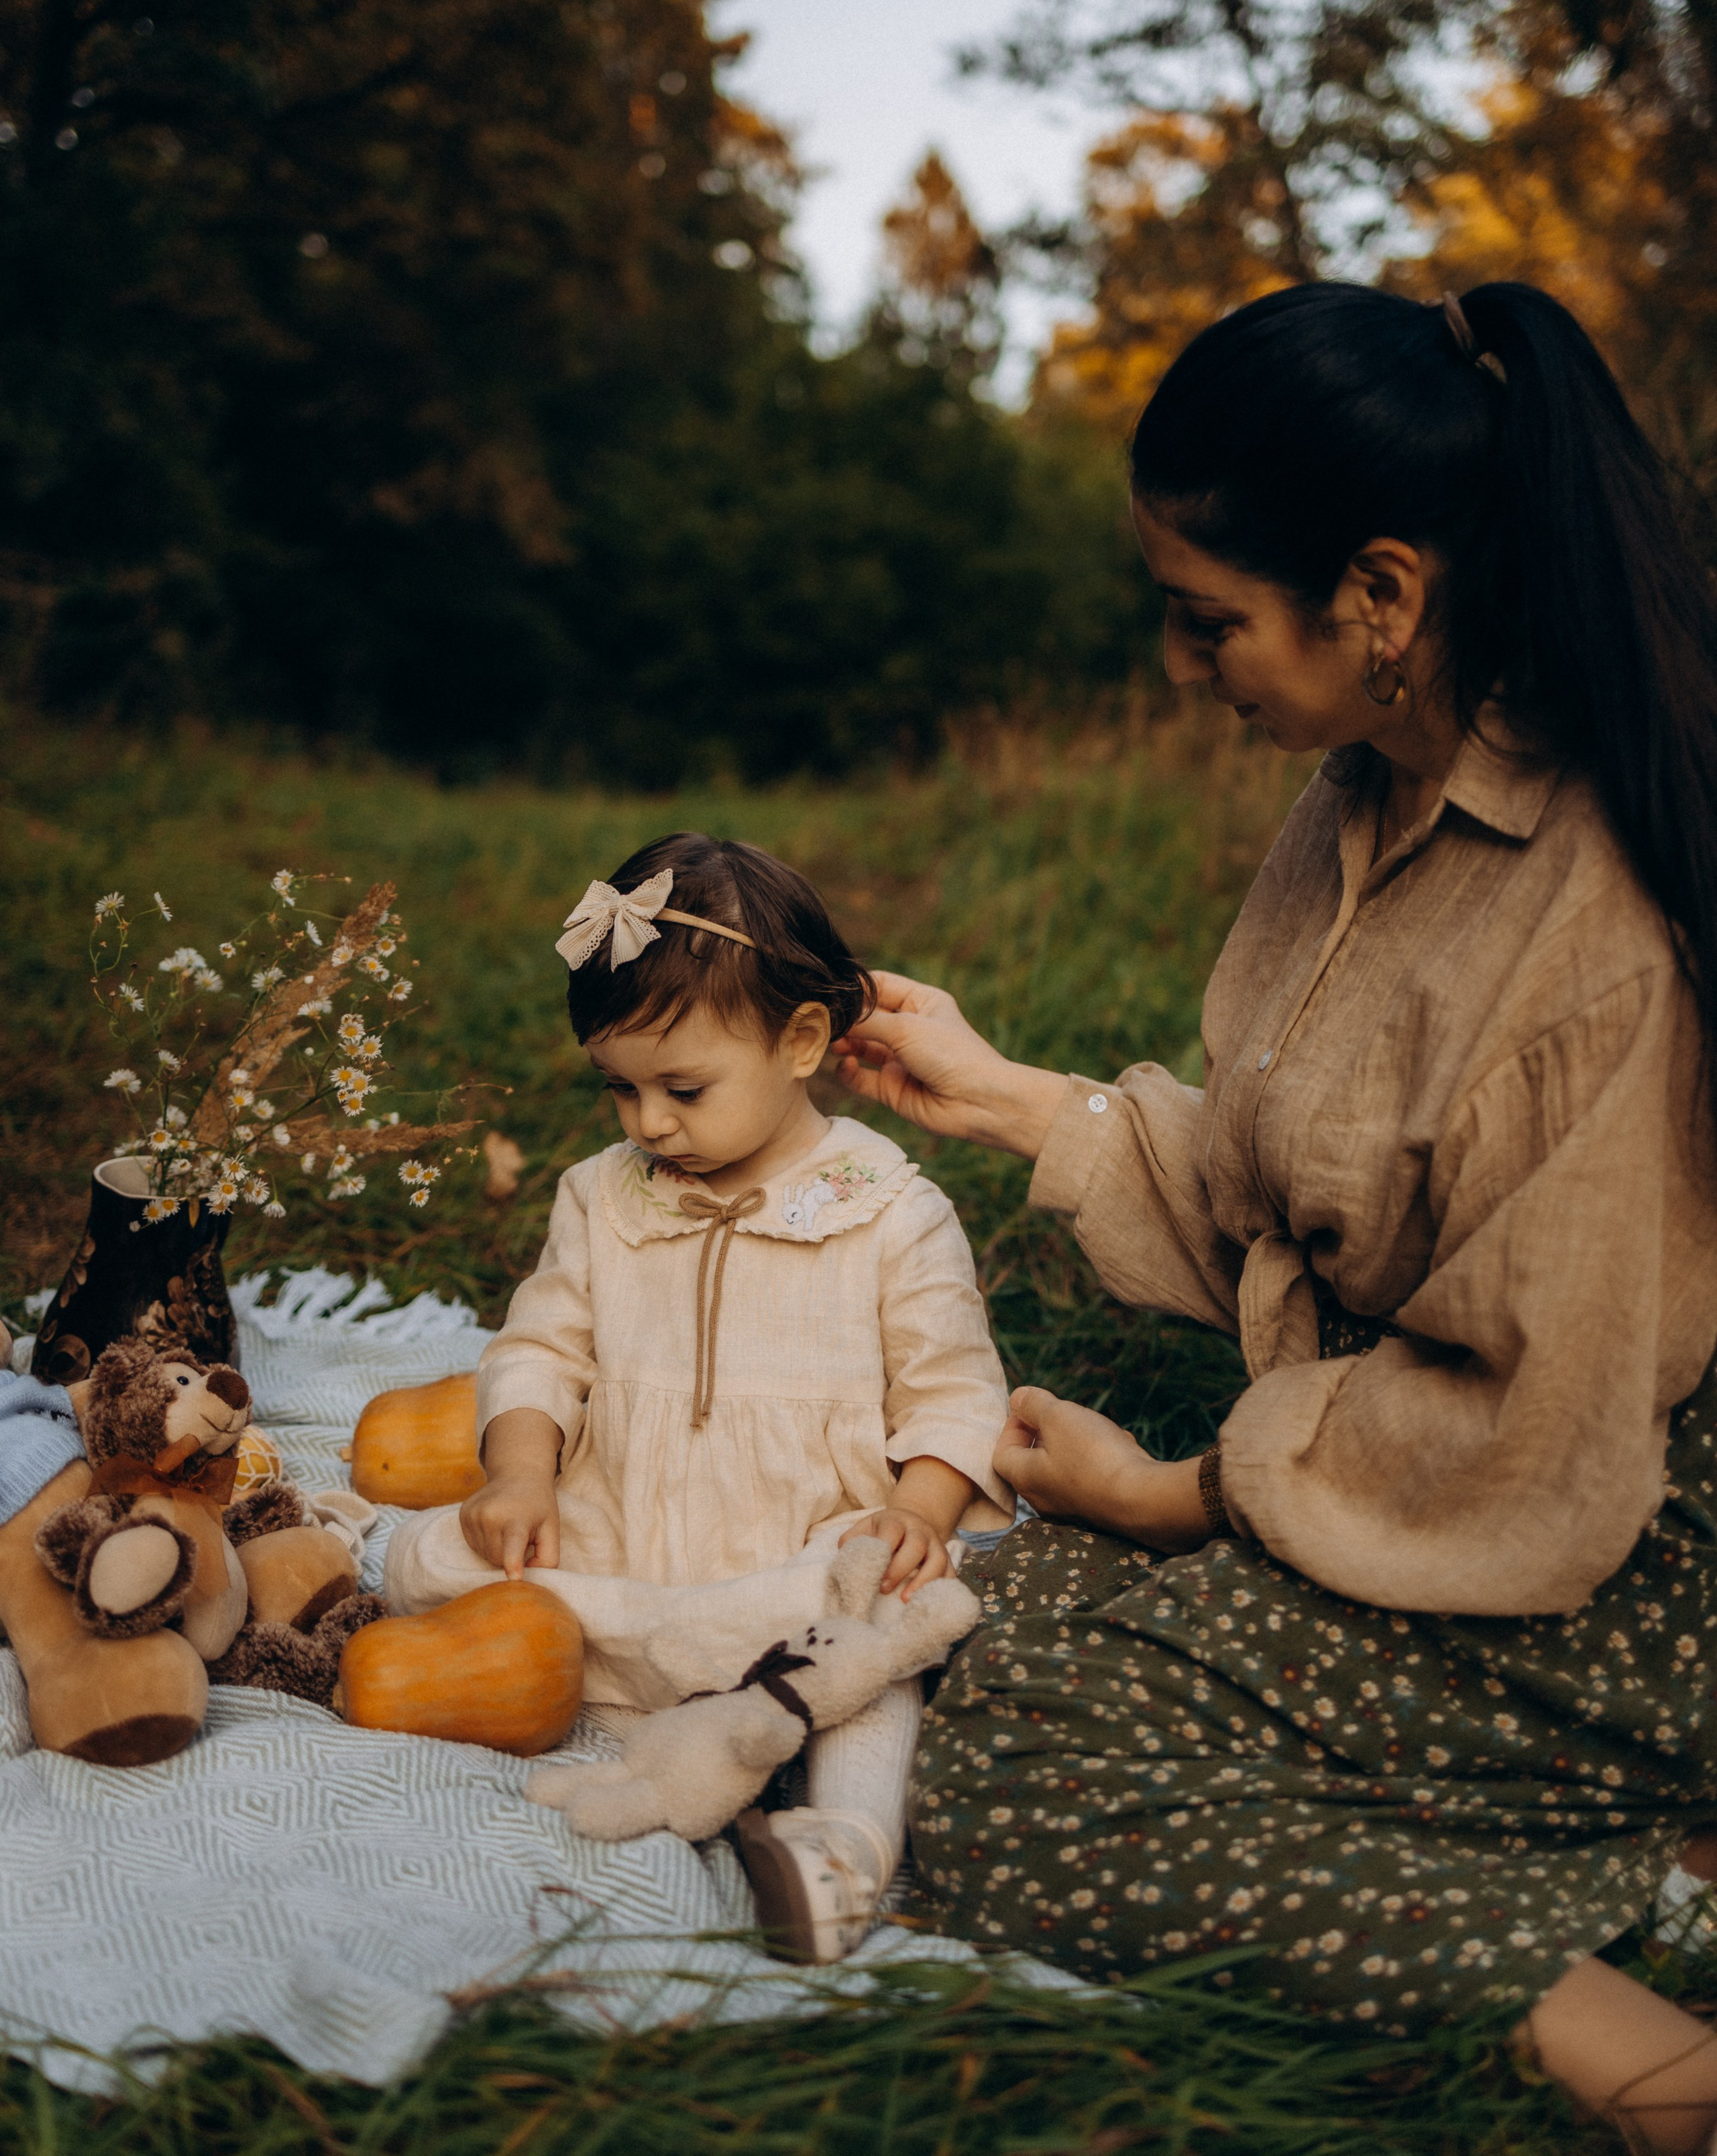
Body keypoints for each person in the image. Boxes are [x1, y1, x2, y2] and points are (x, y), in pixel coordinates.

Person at [835, 282, 1717, 2153]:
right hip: (1455, 1465)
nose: (1182, 662)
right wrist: (993, 1092)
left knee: (1005, 1784)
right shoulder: (1354, 803)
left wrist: (1193, 1493)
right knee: (979, 1636)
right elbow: (1280, 1198)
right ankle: (1618, 1846)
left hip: (1626, 1540)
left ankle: (1659, 2068)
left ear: (1380, 598)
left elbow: (1535, 1433)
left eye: (1207, 618)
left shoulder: (1596, 925)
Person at [387, 832, 1012, 1963]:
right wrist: (520, 1471)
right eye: (618, 1090)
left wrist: (920, 1508)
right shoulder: (601, 1198)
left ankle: (848, 1844)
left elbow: (952, 1385)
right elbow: (541, 1349)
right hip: (631, 1527)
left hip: (803, 1554)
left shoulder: (889, 1210)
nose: (648, 1125)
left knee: (879, 1632)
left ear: (803, 1041)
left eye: (683, 1089)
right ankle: (627, 1678)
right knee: (429, 1562)